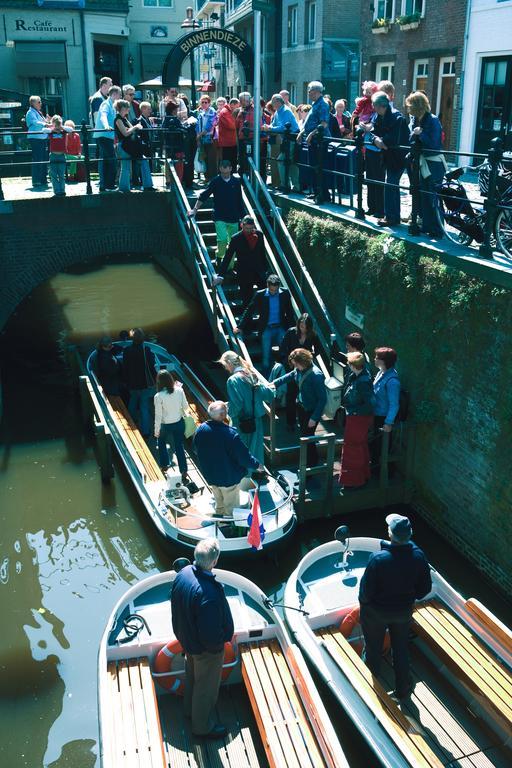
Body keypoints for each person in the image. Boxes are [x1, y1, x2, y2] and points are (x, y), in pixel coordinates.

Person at [359, 513, 432, 700]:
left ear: (390, 534)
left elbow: (365, 594)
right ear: (410, 534)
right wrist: (407, 599)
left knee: (373, 649)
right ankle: (403, 690)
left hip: (376, 613)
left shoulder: (378, 559)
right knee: (400, 649)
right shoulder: (418, 557)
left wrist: (368, 608)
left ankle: (371, 688)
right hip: (403, 612)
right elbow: (424, 589)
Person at [171, 538, 234, 738]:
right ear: (214, 562)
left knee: (193, 678)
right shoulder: (208, 595)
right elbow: (210, 634)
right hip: (206, 650)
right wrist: (218, 646)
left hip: (188, 641)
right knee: (205, 688)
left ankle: (189, 711)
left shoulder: (183, 574)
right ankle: (201, 727)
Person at [194, 401, 264, 518]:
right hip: (228, 477)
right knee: (231, 509)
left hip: (211, 475)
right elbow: (244, 457)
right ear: (222, 415)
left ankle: (220, 520)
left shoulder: (200, 430)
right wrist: (258, 466)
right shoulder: (230, 434)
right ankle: (229, 527)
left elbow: (196, 449)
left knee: (219, 502)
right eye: (226, 411)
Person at [272, 348, 326, 466]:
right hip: (301, 407)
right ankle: (308, 463)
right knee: (304, 436)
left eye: (296, 364)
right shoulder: (300, 369)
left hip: (310, 412)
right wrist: (273, 383)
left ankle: (311, 466)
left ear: (303, 362)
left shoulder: (316, 375)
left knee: (308, 439)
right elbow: (290, 376)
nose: (294, 366)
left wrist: (314, 417)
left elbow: (323, 399)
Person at [218, 351, 274, 465]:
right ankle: (258, 471)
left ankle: (245, 477)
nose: (225, 368)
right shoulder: (251, 374)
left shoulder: (232, 380)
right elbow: (269, 394)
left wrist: (226, 411)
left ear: (229, 363)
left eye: (225, 365)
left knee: (241, 450)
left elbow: (237, 405)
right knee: (256, 448)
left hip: (241, 421)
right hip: (256, 420)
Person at [405, 91, 446, 239]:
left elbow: (434, 144)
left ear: (417, 106)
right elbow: (410, 139)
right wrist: (417, 133)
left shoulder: (433, 120)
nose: (408, 109)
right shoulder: (417, 120)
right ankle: (428, 226)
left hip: (433, 164)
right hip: (422, 163)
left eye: (410, 106)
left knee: (433, 196)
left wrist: (420, 133)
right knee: (424, 195)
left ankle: (438, 229)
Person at [237, 274, 294, 376]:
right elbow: (249, 310)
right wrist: (240, 326)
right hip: (266, 328)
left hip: (280, 327)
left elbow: (290, 312)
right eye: (271, 290)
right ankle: (266, 378)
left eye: (275, 290)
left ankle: (284, 376)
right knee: (266, 357)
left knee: (286, 354)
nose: (273, 292)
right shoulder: (260, 294)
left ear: (279, 287)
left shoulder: (285, 293)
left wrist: (294, 328)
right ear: (268, 286)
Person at [188, 160, 245, 262]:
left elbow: (239, 201)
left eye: (227, 172)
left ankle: (229, 267)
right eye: (223, 172)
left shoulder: (236, 182)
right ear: (220, 169)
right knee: (222, 239)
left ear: (231, 169)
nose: (225, 174)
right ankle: (219, 256)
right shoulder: (215, 181)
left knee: (233, 244)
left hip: (234, 217)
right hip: (220, 216)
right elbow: (204, 195)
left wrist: (244, 217)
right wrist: (195, 209)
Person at [367, 91, 408, 227]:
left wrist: (380, 140)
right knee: (391, 185)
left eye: (375, 107)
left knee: (390, 184)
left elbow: (392, 140)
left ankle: (391, 217)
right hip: (388, 156)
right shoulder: (380, 117)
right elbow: (374, 134)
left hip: (399, 157)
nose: (374, 110)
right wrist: (376, 140)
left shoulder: (397, 118)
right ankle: (393, 216)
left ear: (381, 106)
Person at [213, 215, 268, 309]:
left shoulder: (259, 235)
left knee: (265, 299)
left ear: (254, 226)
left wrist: (266, 270)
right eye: (247, 228)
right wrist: (221, 275)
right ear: (242, 225)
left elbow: (262, 253)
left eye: (251, 228)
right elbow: (228, 257)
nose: (249, 230)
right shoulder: (236, 238)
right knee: (246, 301)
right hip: (244, 273)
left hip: (259, 272)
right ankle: (247, 322)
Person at [338, 351, 374, 488]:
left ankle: (353, 481)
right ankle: (363, 476)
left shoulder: (363, 381)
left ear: (353, 365)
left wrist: (353, 412)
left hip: (358, 419)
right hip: (357, 417)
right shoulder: (357, 375)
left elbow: (370, 404)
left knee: (352, 448)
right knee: (359, 446)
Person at [280, 314, 318, 429]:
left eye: (305, 326)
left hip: (305, 370)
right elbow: (282, 349)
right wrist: (290, 363)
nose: (303, 327)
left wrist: (308, 358)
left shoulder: (312, 335)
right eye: (301, 324)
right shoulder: (291, 332)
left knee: (305, 394)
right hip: (292, 368)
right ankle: (290, 422)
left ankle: (304, 420)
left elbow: (318, 350)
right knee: (291, 394)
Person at [154, 370, 189, 479]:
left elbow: (158, 415)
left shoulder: (158, 396)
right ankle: (183, 470)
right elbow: (185, 406)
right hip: (179, 423)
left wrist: (156, 430)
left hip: (165, 425)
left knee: (161, 443)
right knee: (179, 446)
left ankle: (164, 465)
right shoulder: (179, 390)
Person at [114, 99, 155, 193]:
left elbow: (129, 129)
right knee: (126, 167)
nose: (129, 109)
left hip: (130, 146)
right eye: (127, 107)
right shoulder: (118, 119)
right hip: (124, 146)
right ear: (122, 108)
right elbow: (125, 133)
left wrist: (132, 128)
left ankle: (147, 185)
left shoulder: (124, 118)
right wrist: (135, 127)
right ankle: (124, 189)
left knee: (143, 161)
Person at [122, 328, 156, 437]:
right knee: (144, 406)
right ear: (142, 339)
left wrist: (125, 381)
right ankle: (145, 431)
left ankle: (131, 422)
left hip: (132, 383)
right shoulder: (147, 351)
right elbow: (151, 367)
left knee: (132, 401)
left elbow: (125, 368)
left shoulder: (127, 350)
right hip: (145, 383)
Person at [263, 93, 300, 189]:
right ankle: (295, 186)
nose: (272, 104)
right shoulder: (277, 112)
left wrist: (269, 128)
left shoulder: (286, 111)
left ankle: (285, 185)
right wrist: (268, 127)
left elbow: (283, 127)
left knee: (282, 160)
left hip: (291, 139)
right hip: (286, 140)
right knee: (291, 162)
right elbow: (274, 125)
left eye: (273, 102)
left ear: (278, 102)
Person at [372, 346, 400, 465]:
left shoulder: (392, 381)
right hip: (376, 414)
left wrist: (388, 423)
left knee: (381, 447)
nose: (374, 359)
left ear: (384, 361)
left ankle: (382, 474)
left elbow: (394, 404)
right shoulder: (380, 373)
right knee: (375, 446)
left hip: (383, 418)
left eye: (377, 357)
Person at [93, 85, 122, 192]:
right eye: (119, 94)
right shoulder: (106, 104)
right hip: (104, 135)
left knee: (105, 160)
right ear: (114, 94)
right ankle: (109, 185)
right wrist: (106, 126)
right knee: (111, 160)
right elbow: (103, 116)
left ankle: (104, 185)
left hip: (106, 136)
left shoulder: (112, 105)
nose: (120, 97)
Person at [25, 95, 50, 188]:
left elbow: (41, 123)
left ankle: (43, 179)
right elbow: (35, 122)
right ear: (33, 103)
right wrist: (46, 124)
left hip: (42, 138)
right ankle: (36, 180)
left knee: (44, 158)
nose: (40, 103)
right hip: (36, 138)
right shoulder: (30, 112)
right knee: (38, 158)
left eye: (40, 102)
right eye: (38, 102)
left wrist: (47, 121)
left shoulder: (38, 112)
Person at [162, 99, 186, 184]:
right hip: (177, 146)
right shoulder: (174, 120)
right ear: (172, 111)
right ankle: (177, 182)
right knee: (179, 165)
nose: (176, 111)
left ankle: (169, 180)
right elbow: (181, 130)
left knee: (169, 163)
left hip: (169, 146)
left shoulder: (166, 119)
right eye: (175, 109)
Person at [47, 115, 71, 197]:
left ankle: (62, 190)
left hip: (61, 155)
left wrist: (61, 127)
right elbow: (43, 130)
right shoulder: (51, 131)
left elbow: (70, 129)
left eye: (58, 125)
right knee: (53, 175)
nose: (57, 127)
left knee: (61, 175)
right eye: (56, 125)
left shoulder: (63, 131)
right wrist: (53, 128)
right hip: (53, 155)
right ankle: (57, 191)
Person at [196, 95, 218, 181]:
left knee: (211, 159)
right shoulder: (201, 113)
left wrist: (199, 135)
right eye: (202, 102)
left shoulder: (212, 112)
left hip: (210, 138)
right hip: (202, 138)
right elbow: (197, 126)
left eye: (206, 102)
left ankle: (213, 178)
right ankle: (207, 177)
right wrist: (198, 137)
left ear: (209, 103)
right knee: (204, 158)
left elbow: (210, 125)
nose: (204, 104)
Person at [217, 98, 238, 168]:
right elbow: (232, 126)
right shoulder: (225, 112)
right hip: (226, 143)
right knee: (227, 164)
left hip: (231, 142)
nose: (238, 109)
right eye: (237, 107)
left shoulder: (228, 112)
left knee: (232, 163)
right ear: (232, 105)